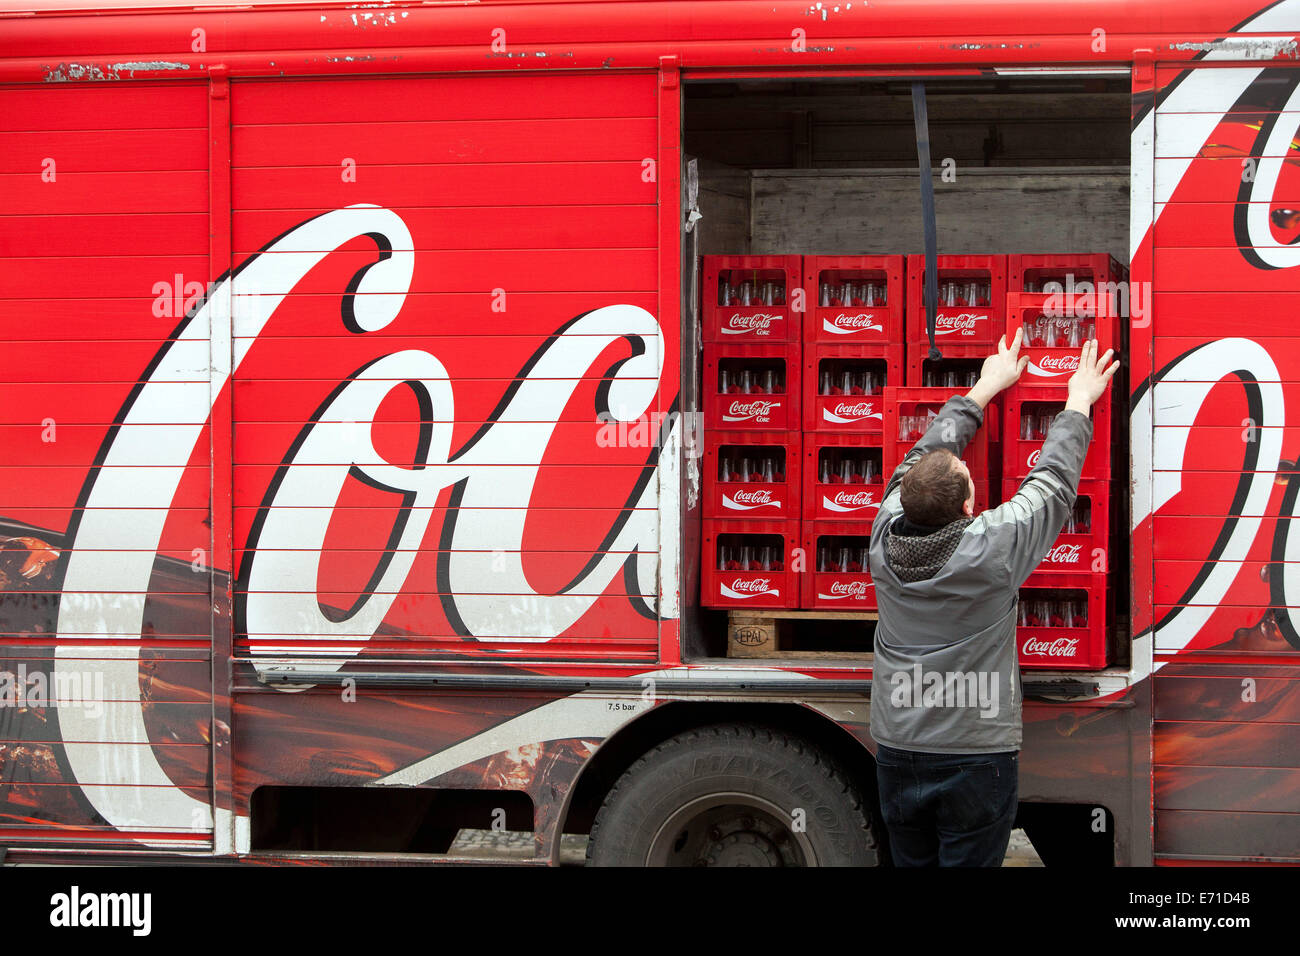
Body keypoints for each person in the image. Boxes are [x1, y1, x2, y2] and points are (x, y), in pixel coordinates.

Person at [867, 329, 1118, 867]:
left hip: (898, 748)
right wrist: (1078, 399)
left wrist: (983, 389)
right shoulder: (992, 551)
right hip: (976, 755)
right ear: (966, 508)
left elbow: (920, 459)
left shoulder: (882, 537)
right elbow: (1050, 484)